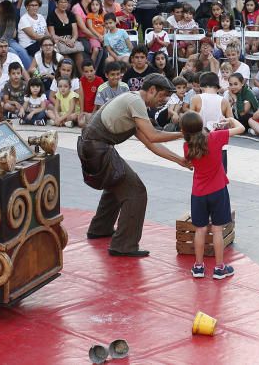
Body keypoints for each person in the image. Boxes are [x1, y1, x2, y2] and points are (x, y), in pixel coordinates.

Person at [79, 74, 188, 257]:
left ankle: (100, 228)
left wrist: (180, 160)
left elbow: (150, 143)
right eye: (162, 96)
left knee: (116, 182)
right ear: (151, 90)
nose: (163, 102)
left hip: (92, 147)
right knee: (136, 192)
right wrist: (183, 133)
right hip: (97, 149)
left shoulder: (133, 102)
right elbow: (153, 135)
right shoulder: (135, 101)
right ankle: (123, 245)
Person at [182, 112, 242, 280]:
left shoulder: (187, 146)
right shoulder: (215, 137)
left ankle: (199, 266)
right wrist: (230, 120)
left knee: (200, 229)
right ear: (202, 125)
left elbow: (190, 162)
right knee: (217, 230)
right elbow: (241, 128)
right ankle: (219, 268)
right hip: (218, 190)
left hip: (198, 193)